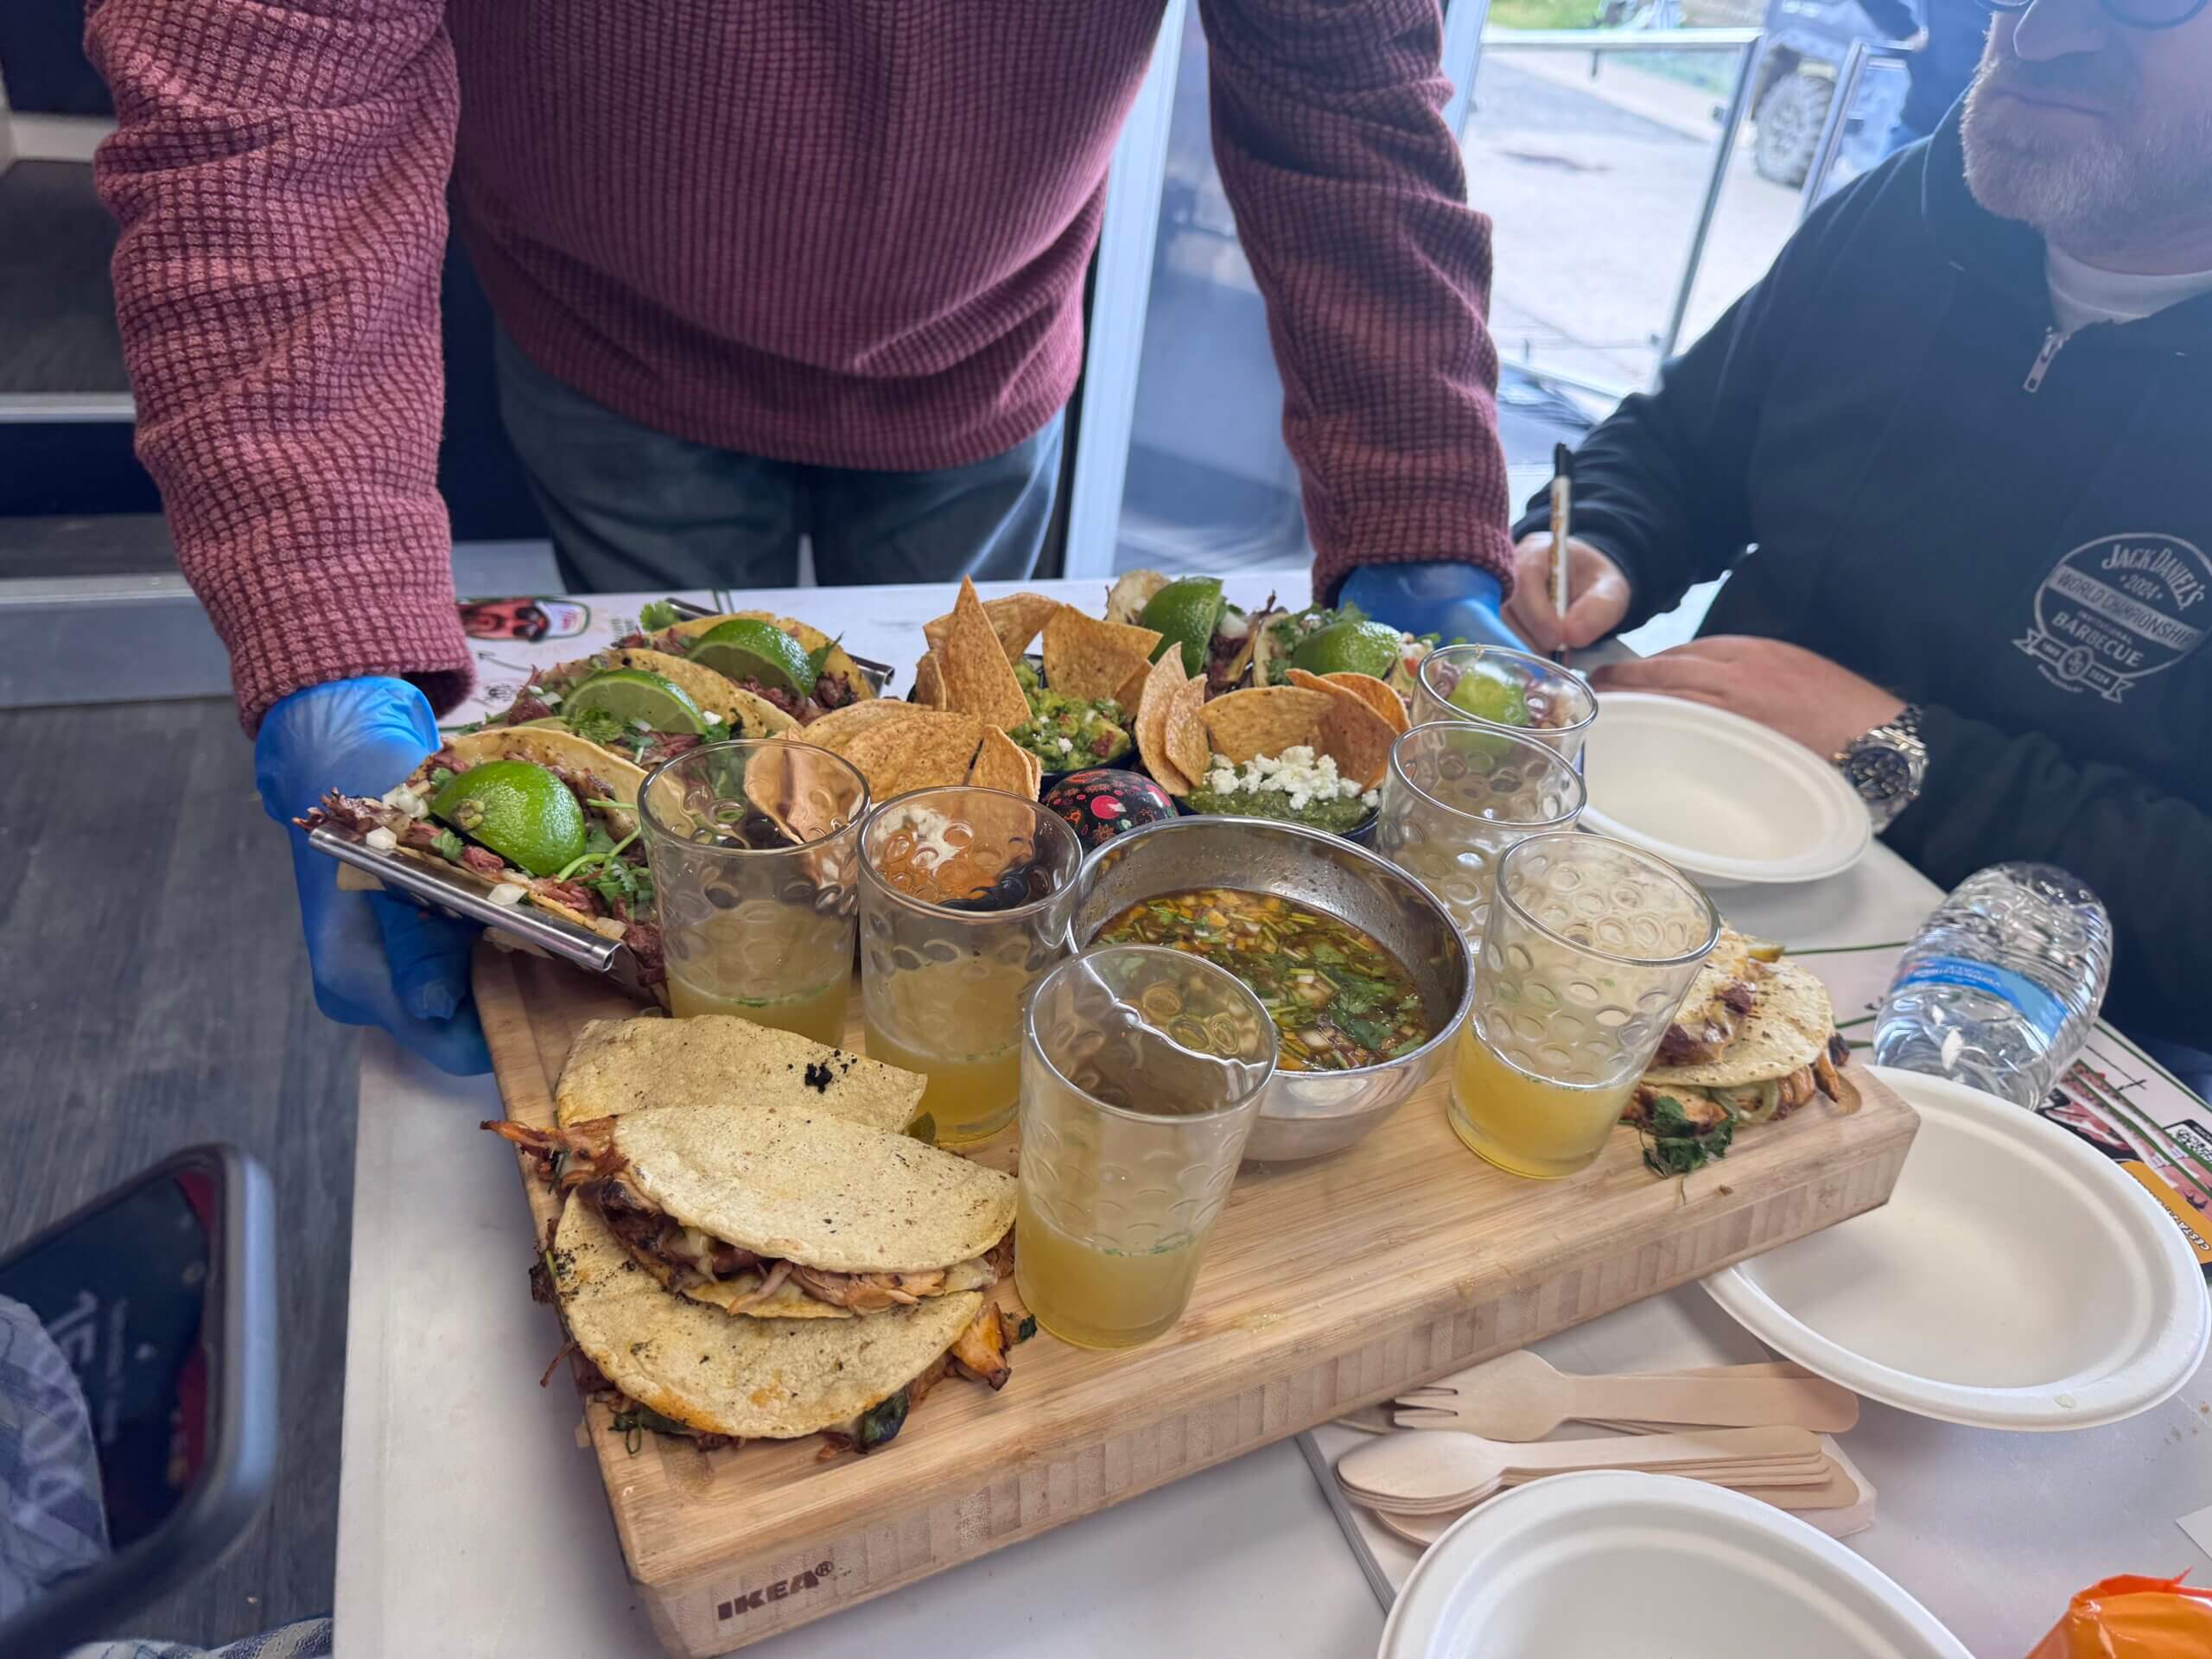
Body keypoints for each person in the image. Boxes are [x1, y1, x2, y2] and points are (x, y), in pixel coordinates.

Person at [84, 1, 1522, 1072]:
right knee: (686, 837)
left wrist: (1419, 497)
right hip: (610, 335)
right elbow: (260, 95)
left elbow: (1347, 85)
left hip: (986, 339)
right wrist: (325, 612)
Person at [1502, 0, 2212, 1059]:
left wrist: (1895, 751)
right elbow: (1682, 447)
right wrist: (1602, 539)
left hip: (2029, 1036)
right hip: (1668, 853)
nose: (2034, 34)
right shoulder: (1911, 208)